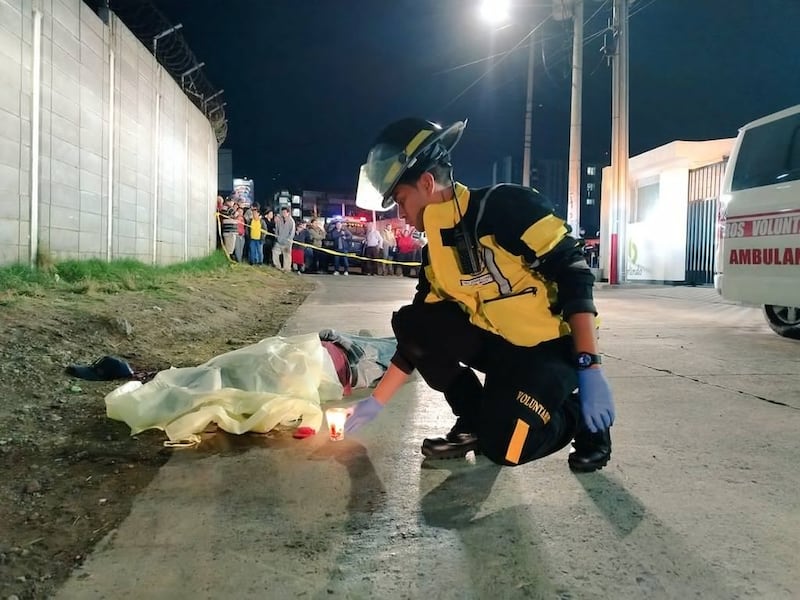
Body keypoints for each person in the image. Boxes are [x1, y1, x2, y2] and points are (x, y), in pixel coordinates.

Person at [344, 118, 615, 472]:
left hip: (552, 349)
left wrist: (588, 365)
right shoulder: (436, 254)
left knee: (508, 449)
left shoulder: (504, 207)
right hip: (504, 348)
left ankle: (580, 417)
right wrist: (377, 402)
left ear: (426, 183)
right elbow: (417, 338)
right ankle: (475, 420)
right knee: (413, 322)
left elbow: (574, 273)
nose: (402, 214)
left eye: (401, 200)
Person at [273, 206, 295, 271]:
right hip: (279, 241)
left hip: (287, 242)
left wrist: (288, 240)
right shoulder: (279, 220)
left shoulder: (291, 221)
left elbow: (292, 233)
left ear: (288, 213)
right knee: (274, 252)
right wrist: (276, 237)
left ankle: (287, 269)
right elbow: (277, 229)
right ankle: (277, 266)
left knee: (287, 255)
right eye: (282, 212)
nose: (283, 214)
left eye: (285, 212)